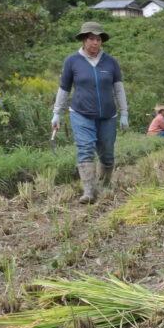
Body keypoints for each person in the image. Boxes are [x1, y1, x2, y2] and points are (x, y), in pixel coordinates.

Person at [50, 21, 129, 204]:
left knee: (107, 154)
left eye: (99, 39)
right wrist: (57, 113)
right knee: (85, 150)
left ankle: (104, 183)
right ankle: (89, 191)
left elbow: (119, 90)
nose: (96, 43)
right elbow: (64, 89)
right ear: (84, 40)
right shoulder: (72, 61)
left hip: (107, 116)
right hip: (81, 114)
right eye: (92, 39)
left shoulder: (110, 62)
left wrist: (124, 112)